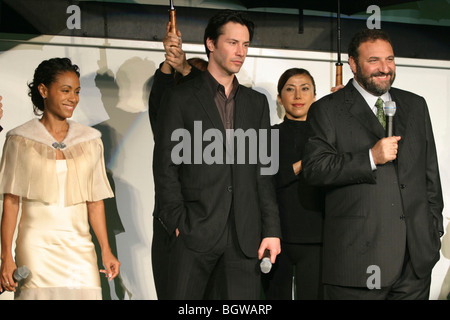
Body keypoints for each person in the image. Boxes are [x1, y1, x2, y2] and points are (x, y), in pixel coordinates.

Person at [302, 29, 443, 300]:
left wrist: (432, 228)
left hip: (414, 265)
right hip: (357, 264)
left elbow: (430, 175)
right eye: (374, 60)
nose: (384, 68)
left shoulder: (415, 105)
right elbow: (314, 168)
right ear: (353, 64)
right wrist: (370, 158)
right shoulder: (328, 109)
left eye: (390, 59)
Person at [153, 10, 281, 299]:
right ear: (211, 44)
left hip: (244, 237)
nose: (241, 52)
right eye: (233, 43)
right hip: (193, 231)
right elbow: (165, 166)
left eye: (246, 45)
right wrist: (176, 222)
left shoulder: (257, 103)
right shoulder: (180, 98)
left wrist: (271, 229)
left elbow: (265, 170)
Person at [0, 57, 120, 299]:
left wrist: (106, 250)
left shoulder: (89, 140)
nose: (73, 98)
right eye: (65, 90)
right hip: (35, 248)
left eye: (76, 91)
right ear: (43, 91)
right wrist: (6, 257)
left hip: (80, 248)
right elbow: (11, 203)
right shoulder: (19, 139)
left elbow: (95, 201)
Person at [149, 21, 207, 299]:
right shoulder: (167, 117)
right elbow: (159, 100)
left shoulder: (221, 116)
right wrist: (169, 64)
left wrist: (184, 66)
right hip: (168, 218)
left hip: (209, 218)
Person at [263, 68, 324, 300]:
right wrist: (301, 166)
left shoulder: (327, 137)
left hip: (318, 238)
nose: (298, 96)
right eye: (290, 89)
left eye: (305, 89)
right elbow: (263, 183)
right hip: (276, 236)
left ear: (315, 96)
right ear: (280, 98)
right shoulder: (268, 136)